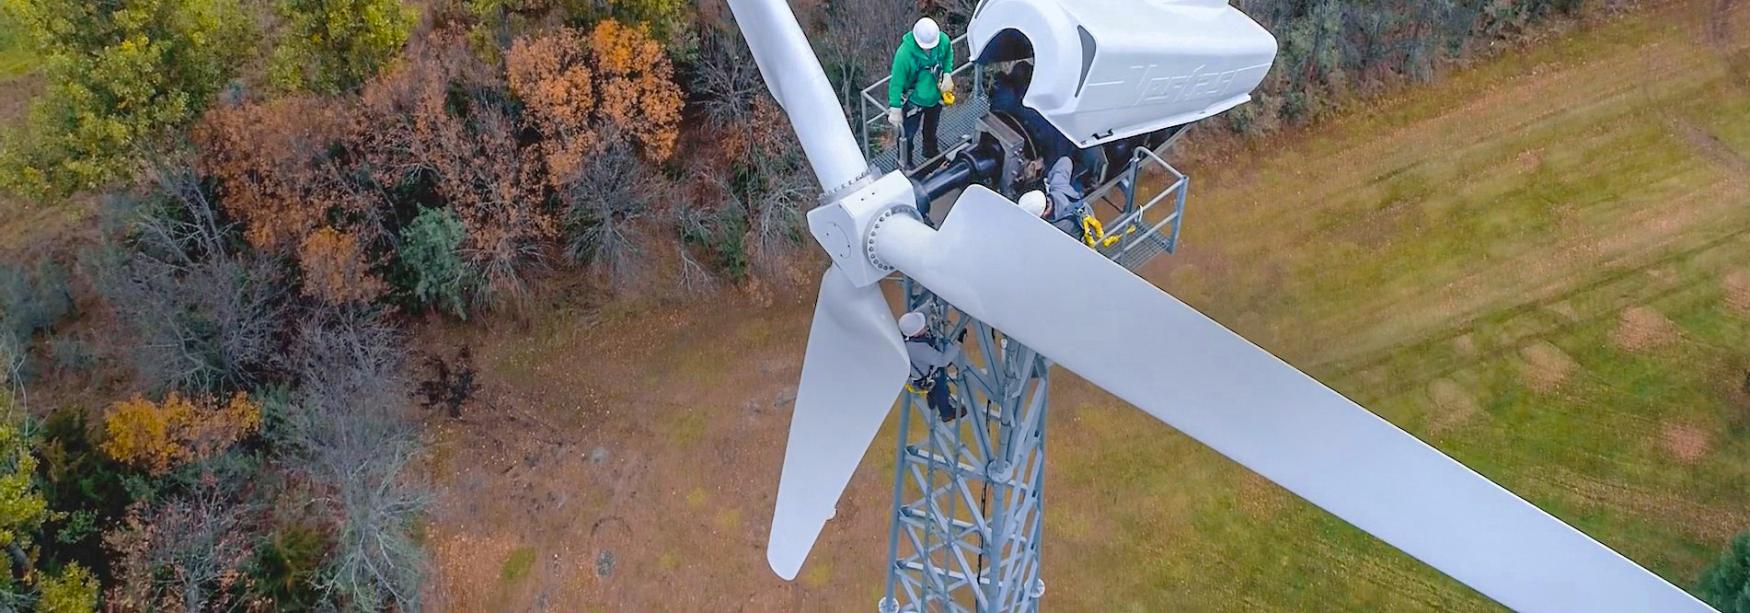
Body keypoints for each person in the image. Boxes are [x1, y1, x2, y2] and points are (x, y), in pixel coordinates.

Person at [888, 17, 955, 167]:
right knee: (908, 134)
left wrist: (948, 73)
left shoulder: (942, 41)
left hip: (934, 97)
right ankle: (905, 161)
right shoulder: (904, 54)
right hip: (914, 101)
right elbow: (896, 83)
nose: (928, 49)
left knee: (931, 128)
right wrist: (895, 108)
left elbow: (948, 55)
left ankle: (930, 151)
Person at [899, 311, 966, 423]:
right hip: (926, 376)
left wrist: (930, 306)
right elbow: (942, 360)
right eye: (923, 327)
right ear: (916, 334)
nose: (925, 327)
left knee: (934, 383)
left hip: (919, 373)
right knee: (941, 388)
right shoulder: (919, 349)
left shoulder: (907, 336)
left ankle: (932, 398)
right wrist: (958, 344)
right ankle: (946, 413)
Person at [1017, 157, 1094, 241]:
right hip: (1087, 213)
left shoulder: (1056, 229)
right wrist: (1050, 180)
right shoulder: (1059, 186)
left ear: (1043, 214)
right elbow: (1065, 161)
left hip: (1085, 236)